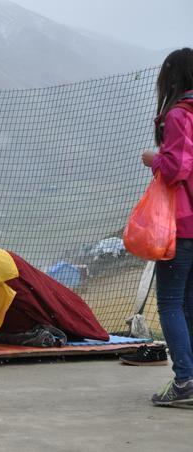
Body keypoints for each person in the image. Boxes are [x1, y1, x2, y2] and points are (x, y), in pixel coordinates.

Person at [140, 47, 193, 407]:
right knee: (189, 304)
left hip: (183, 223)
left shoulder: (178, 115)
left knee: (171, 303)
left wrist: (153, 158)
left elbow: (177, 169)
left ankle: (185, 381)